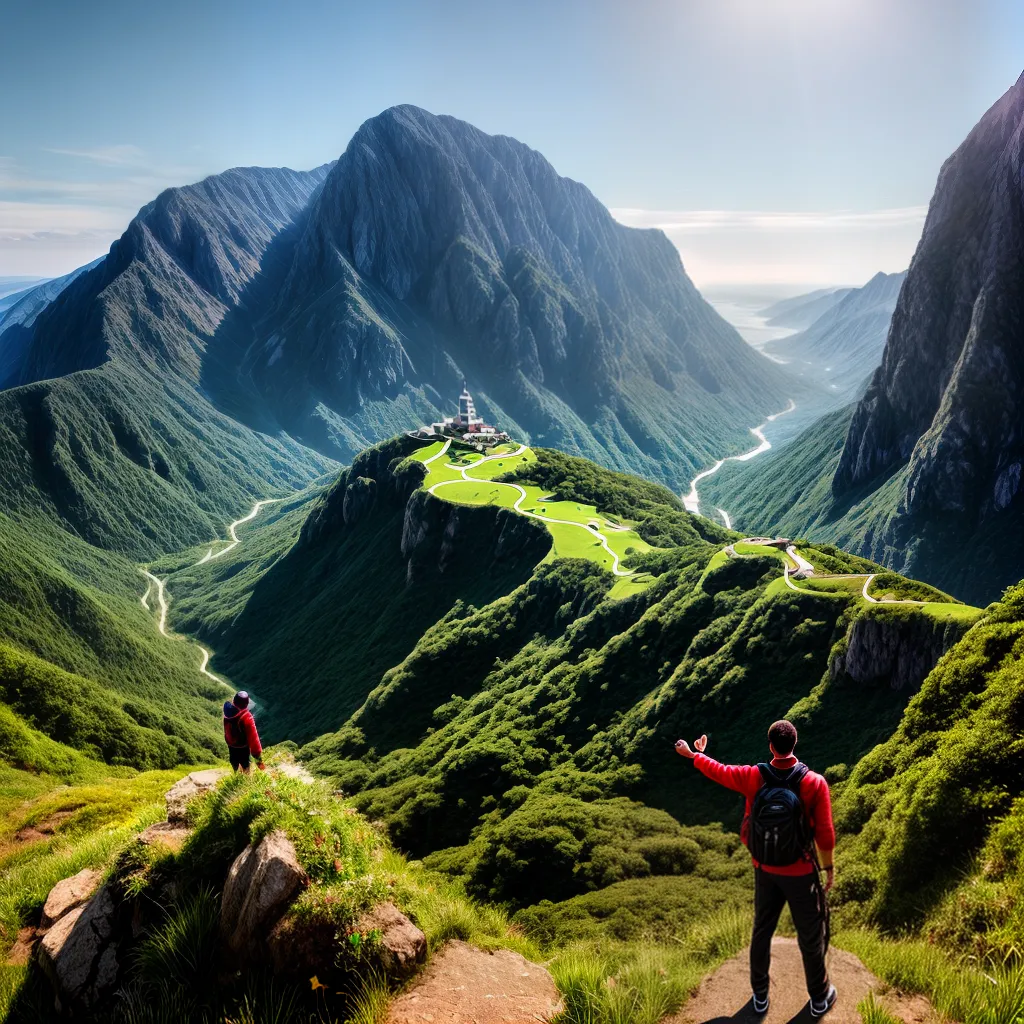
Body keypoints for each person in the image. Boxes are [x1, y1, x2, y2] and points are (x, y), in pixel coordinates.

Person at [675, 720, 837, 1018]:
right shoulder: (814, 783)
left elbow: (719, 771)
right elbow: (825, 834)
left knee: (762, 931)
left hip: (764, 868)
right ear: (794, 744)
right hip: (801, 872)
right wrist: (827, 868)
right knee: (810, 936)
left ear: (771, 746)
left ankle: (760, 998)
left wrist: (694, 755)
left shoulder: (753, 777)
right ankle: (819, 997)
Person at [223, 691, 265, 773]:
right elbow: (254, 739)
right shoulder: (246, 717)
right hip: (242, 747)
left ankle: (236, 775)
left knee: (234, 762)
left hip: (231, 745)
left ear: (234, 700)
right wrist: (258, 759)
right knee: (245, 765)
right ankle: (245, 782)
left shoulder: (227, 711)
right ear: (246, 704)